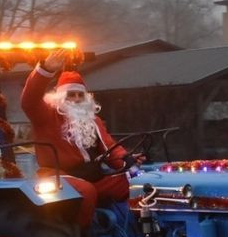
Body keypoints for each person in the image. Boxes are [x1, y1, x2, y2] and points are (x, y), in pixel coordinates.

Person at [21, 49, 140, 226]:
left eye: (80, 94)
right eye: (71, 94)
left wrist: (127, 162)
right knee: (86, 191)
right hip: (58, 175)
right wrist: (45, 70)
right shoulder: (46, 115)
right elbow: (28, 100)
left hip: (91, 173)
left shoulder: (93, 120)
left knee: (135, 184)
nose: (76, 99)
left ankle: (136, 231)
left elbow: (109, 147)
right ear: (60, 96)